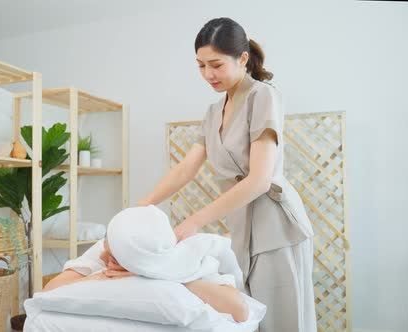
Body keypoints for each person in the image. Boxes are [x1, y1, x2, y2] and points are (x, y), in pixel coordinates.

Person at [131, 17, 317, 332]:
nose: (208, 75)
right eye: (201, 66)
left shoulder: (263, 96)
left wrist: (194, 221)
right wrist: (141, 208)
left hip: (276, 228)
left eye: (216, 65)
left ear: (242, 59)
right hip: (242, 227)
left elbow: (259, 179)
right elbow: (184, 169)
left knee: (282, 323)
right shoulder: (212, 112)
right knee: (249, 320)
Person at [42, 237, 249, 322]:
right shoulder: (102, 251)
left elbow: (239, 310)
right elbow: (48, 290)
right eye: (108, 249)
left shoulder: (180, 258)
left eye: (116, 257)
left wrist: (163, 277)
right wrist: (96, 277)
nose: (106, 259)